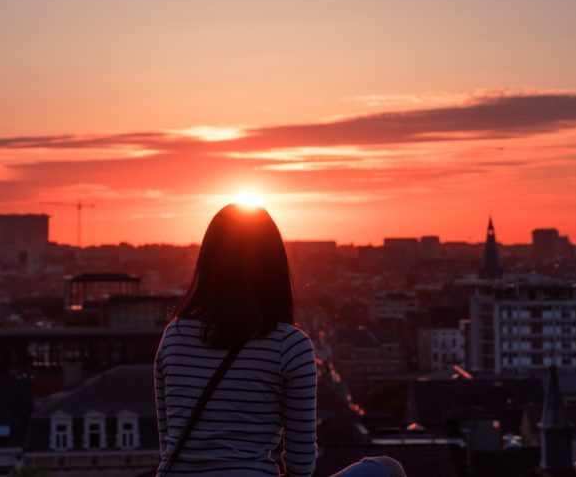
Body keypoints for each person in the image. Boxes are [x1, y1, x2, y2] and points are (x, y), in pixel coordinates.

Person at [154, 202, 405, 477]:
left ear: (208, 262)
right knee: (388, 469)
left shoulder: (174, 336)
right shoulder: (290, 345)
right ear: (273, 266)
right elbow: (300, 464)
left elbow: (170, 441)